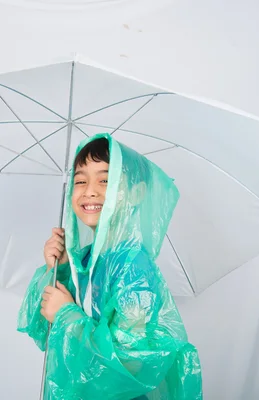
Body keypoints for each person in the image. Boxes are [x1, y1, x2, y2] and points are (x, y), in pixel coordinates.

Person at [17, 133, 203, 399]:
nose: (89, 190)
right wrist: (57, 270)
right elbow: (42, 331)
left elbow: (132, 362)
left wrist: (66, 316)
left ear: (137, 193)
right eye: (80, 180)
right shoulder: (84, 261)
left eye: (106, 180)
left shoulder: (133, 268)